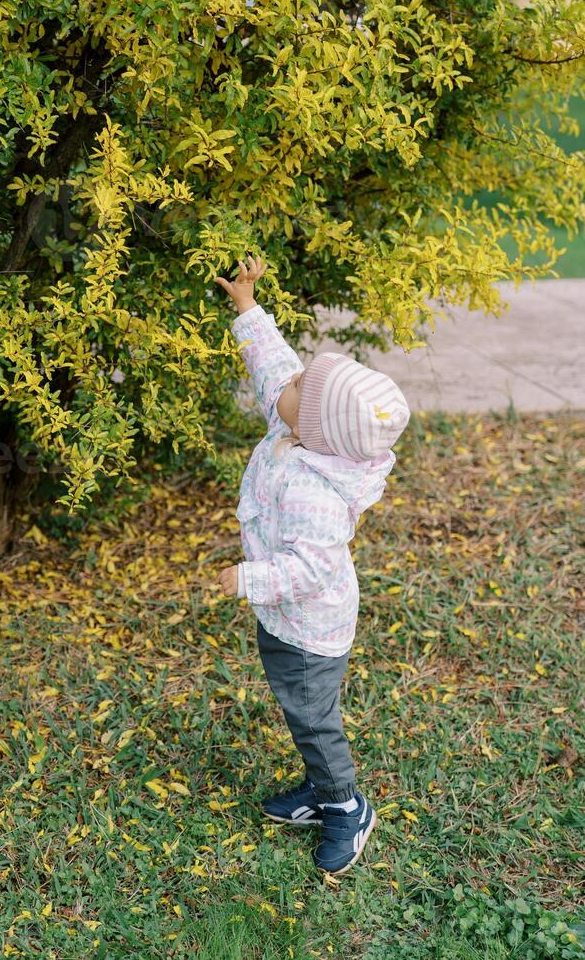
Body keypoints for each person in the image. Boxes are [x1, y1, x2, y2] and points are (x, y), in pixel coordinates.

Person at [214, 254, 411, 876]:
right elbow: (275, 368)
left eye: (302, 390)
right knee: (300, 712)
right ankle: (319, 791)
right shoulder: (297, 420)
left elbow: (310, 571)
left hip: (311, 629)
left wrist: (250, 579)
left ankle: (345, 806)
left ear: (321, 428)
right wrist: (248, 306)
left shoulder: (319, 495)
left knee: (313, 719)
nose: (288, 386)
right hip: (286, 621)